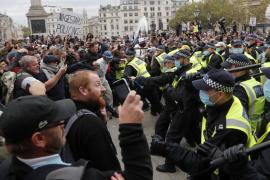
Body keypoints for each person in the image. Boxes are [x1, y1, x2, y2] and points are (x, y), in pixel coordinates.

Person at [0, 92, 153, 180]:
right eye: (57, 122)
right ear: (39, 139)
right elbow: (140, 177)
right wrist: (131, 128)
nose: (63, 124)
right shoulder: (77, 177)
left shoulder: (7, 167)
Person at [151, 69, 256, 179]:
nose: (201, 92)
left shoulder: (230, 128)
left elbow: (202, 164)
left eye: (205, 89)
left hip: (221, 173)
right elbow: (194, 96)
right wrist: (188, 82)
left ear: (220, 94)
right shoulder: (225, 100)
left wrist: (165, 148)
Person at [66, 70, 120, 171]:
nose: (103, 89)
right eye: (97, 85)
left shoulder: (69, 111)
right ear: (83, 90)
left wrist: (102, 120)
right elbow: (109, 168)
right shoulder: (91, 124)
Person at [221, 54, 265, 135]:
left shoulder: (239, 90)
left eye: (229, 67)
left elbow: (235, 115)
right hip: (257, 127)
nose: (226, 69)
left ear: (242, 69)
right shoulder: (255, 83)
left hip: (245, 131)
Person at [93, 51, 118, 117]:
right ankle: (101, 111)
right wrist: (99, 85)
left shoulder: (109, 61)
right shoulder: (98, 63)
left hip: (103, 78)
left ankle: (111, 110)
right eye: (108, 58)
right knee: (99, 96)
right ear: (104, 57)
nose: (110, 60)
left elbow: (114, 59)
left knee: (109, 93)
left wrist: (121, 59)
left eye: (110, 58)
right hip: (97, 80)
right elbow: (94, 73)